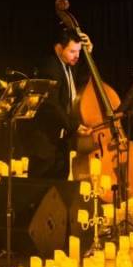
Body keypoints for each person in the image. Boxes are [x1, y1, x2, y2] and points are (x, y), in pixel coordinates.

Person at [16, 28, 92, 180]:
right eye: (72, 51)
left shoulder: (66, 63)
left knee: (59, 187)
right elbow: (51, 105)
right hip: (44, 141)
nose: (77, 56)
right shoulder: (50, 67)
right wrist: (74, 125)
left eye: (79, 51)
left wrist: (88, 52)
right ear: (58, 48)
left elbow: (80, 76)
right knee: (41, 188)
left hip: (59, 140)